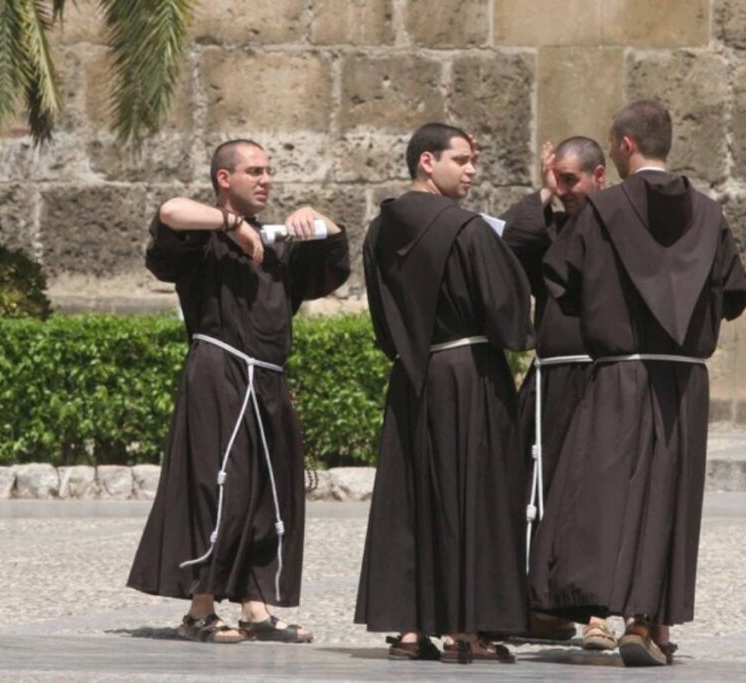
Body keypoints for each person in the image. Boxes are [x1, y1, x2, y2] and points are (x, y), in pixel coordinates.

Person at [532, 100, 746, 666]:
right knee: (666, 497)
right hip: (683, 379)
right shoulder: (709, 214)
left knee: (602, 491)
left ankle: (599, 614)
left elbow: (562, 283)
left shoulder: (601, 211)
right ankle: (647, 622)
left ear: (625, 145)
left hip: (619, 370)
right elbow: (733, 295)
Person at [126, 139, 350, 644]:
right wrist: (232, 226)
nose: (266, 179)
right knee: (218, 486)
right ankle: (199, 610)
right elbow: (169, 211)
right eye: (254, 171)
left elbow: (335, 255)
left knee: (268, 493)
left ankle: (255, 607)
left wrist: (319, 219)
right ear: (225, 179)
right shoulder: (202, 242)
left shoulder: (279, 247)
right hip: (218, 375)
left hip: (268, 380)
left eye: (269, 171)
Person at [354, 122, 534, 664]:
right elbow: (507, 315)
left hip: (413, 374)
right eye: (461, 159)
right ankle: (467, 630)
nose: (471, 170)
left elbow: (383, 319)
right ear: (426, 162)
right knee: (475, 496)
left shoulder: (378, 232)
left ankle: (411, 629)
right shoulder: (468, 230)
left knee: (412, 500)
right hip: (469, 373)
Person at [500, 137, 618, 650]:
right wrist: (544, 190)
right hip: (550, 377)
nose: (565, 189)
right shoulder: (549, 228)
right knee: (536, 489)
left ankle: (596, 613)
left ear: (599, 176)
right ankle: (541, 605)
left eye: (572, 180)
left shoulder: (617, 225)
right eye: (559, 178)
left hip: (597, 376)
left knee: (591, 494)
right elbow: (511, 240)